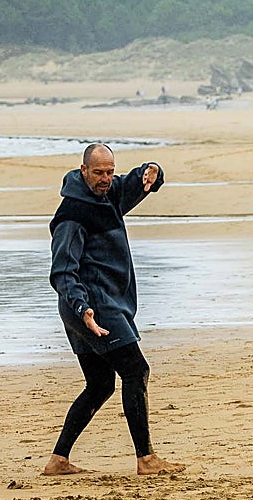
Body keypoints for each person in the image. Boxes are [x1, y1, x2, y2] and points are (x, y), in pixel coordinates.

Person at [44, 144, 184, 477]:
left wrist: (153, 170)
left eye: (110, 171)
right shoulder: (72, 215)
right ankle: (146, 459)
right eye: (99, 173)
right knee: (136, 371)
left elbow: (140, 181)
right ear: (83, 171)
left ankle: (58, 460)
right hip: (92, 306)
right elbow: (62, 270)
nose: (106, 178)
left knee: (100, 384)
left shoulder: (110, 194)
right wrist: (83, 308)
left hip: (99, 307)